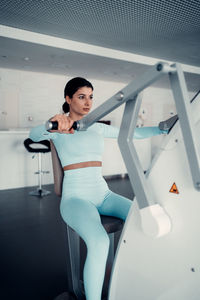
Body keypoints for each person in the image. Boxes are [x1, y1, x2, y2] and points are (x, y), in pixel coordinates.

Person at [29, 77, 167, 300]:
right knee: (100, 241)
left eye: (91, 97)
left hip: (103, 195)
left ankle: (127, 277)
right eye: (81, 96)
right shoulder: (60, 128)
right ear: (68, 99)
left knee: (143, 215)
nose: (88, 102)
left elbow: (133, 134)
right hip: (76, 199)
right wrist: (50, 123)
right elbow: (34, 135)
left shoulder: (97, 128)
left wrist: (163, 128)